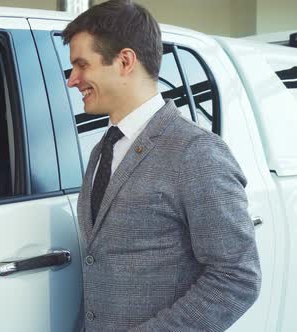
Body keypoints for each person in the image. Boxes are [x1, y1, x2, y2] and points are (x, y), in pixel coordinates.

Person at [62, 1, 261, 330]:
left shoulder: (196, 151)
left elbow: (237, 278)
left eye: (82, 65)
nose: (72, 80)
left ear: (125, 61)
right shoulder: (103, 149)